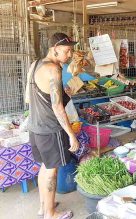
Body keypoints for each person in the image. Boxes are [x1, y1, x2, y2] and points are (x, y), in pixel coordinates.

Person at [25, 33, 79, 219]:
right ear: (54, 49)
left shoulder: (34, 65)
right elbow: (57, 107)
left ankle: (43, 207)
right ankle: (51, 214)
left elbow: (28, 97)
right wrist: (71, 134)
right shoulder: (53, 70)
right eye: (67, 50)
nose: (70, 54)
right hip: (50, 129)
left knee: (44, 167)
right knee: (51, 172)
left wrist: (64, 93)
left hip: (35, 126)